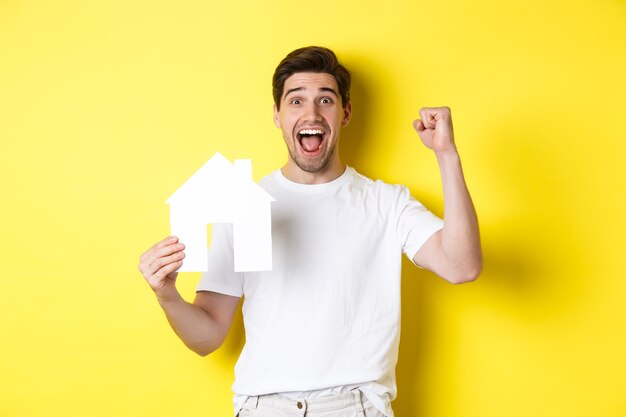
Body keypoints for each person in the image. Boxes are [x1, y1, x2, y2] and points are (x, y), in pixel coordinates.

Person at [138, 46, 482, 417]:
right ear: (277, 115)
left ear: (345, 113)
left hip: (353, 407)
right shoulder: (243, 204)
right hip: (264, 407)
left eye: (325, 100)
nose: (311, 113)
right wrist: (167, 294)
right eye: (296, 100)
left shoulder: (386, 203)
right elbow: (207, 338)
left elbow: (461, 266)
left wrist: (447, 154)